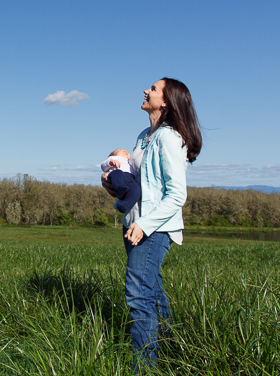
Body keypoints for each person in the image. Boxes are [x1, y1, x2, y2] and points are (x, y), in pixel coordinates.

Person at [102, 78, 202, 372]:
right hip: (135, 224)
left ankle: (143, 367)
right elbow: (137, 181)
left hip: (154, 228)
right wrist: (113, 184)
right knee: (152, 290)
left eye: (154, 89)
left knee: (138, 294)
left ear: (167, 101)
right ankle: (173, 349)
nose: (146, 91)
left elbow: (176, 195)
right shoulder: (145, 135)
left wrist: (145, 224)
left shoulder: (169, 138)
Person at [100, 148, 141, 214]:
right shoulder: (114, 158)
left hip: (130, 178)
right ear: (113, 155)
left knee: (136, 188)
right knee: (117, 174)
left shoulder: (130, 161)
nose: (125, 151)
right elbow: (103, 166)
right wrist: (110, 162)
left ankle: (125, 205)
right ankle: (119, 188)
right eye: (120, 151)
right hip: (118, 173)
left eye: (126, 151)